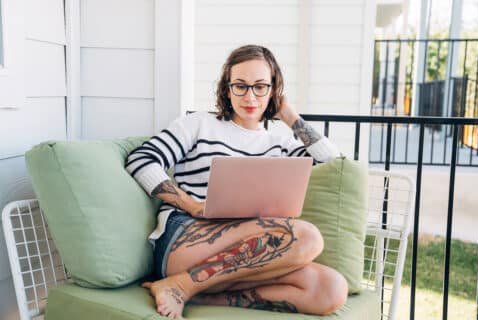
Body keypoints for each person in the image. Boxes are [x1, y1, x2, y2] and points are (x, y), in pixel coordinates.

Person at [125, 44, 348, 319]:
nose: (249, 96)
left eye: (260, 86)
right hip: (187, 238)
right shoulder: (198, 124)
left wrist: (289, 116)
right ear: (227, 88)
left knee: (332, 288)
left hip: (250, 253)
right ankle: (181, 283)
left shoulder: (279, 144)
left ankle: (199, 292)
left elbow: (334, 162)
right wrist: (191, 205)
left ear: (274, 91)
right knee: (306, 236)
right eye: (240, 86)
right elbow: (142, 160)